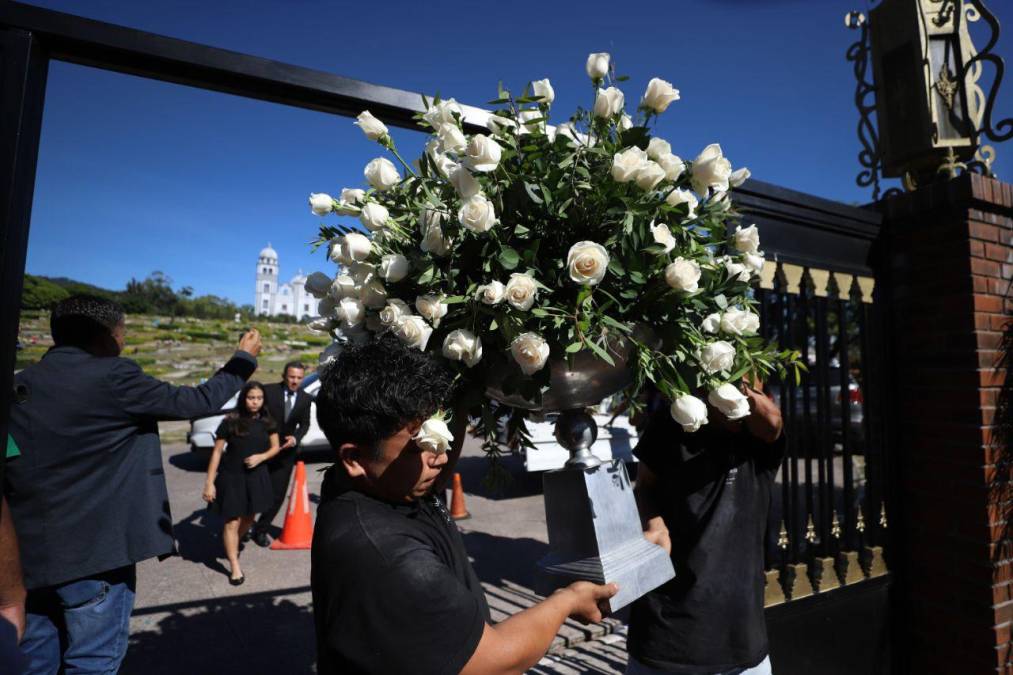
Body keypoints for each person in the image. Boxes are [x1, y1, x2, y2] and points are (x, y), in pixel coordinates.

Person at [311, 335, 619, 675]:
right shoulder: (387, 555)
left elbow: (433, 454)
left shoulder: (374, 482)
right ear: (354, 458)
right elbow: (495, 662)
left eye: (435, 436)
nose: (440, 458)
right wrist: (567, 600)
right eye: (418, 447)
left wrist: (469, 372)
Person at [4, 295, 260, 674]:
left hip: (29, 559)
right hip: (95, 555)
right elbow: (195, 401)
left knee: (36, 662)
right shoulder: (113, 376)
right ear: (109, 335)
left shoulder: (19, 384)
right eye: (123, 333)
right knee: (93, 662)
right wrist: (244, 359)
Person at [627, 381, 784, 675]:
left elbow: (773, 422)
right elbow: (644, 487)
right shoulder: (674, 422)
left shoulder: (756, 442)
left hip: (742, 646)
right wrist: (654, 525)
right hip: (666, 639)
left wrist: (736, 389)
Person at [203, 381, 280, 584]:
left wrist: (261, 457)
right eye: (251, 397)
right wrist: (209, 482)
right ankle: (234, 564)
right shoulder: (230, 421)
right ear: (244, 398)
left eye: (259, 398)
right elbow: (217, 452)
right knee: (232, 521)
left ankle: (233, 540)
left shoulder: (268, 421)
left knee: (248, 518)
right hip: (231, 477)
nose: (255, 402)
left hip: (256, 477)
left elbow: (275, 447)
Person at [249, 361, 311, 547]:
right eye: (292, 377)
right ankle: (244, 526)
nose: (295, 381)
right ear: (284, 376)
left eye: (299, 378)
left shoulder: (305, 398)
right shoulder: (268, 391)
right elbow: (253, 410)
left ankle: (261, 529)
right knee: (253, 490)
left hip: (285, 454)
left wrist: (296, 438)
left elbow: (305, 424)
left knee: (277, 495)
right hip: (261, 450)